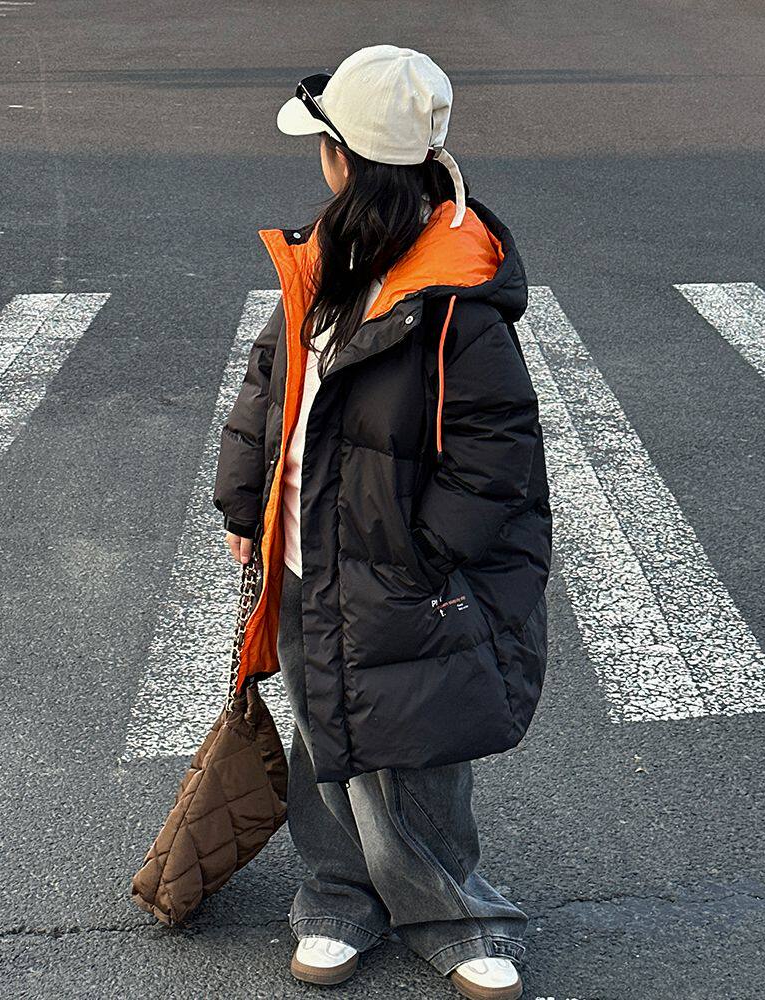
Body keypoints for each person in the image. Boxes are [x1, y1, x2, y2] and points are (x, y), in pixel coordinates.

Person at [213, 45, 551, 1000]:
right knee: (325, 732)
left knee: (418, 748)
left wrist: (423, 555)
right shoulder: (323, 258)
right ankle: (336, 900)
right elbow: (268, 384)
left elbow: (496, 447)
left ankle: (456, 915)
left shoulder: (451, 294)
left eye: (323, 147)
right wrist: (244, 504)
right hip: (305, 551)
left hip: (397, 566)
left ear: (346, 160)